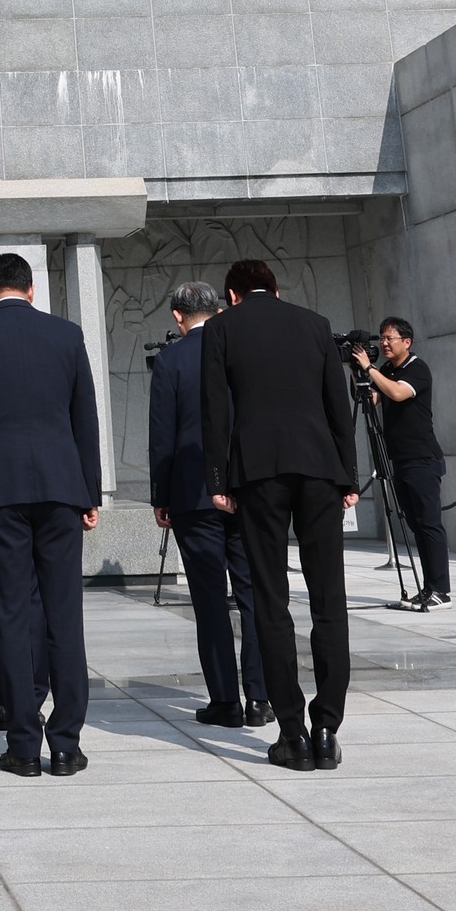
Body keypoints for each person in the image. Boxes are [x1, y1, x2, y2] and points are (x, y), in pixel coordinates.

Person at [0, 251, 99, 778]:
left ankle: (24, 743)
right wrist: (90, 493)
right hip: (59, 487)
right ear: (31, 290)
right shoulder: (66, 335)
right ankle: (68, 741)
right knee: (63, 613)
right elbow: (85, 419)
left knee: (9, 613)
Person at [201, 257, 359, 770]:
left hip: (259, 472)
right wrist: (348, 479)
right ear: (275, 288)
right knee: (328, 599)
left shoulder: (221, 329)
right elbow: (339, 405)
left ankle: (291, 732)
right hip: (319, 470)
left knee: (270, 600)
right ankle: (328, 727)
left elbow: (214, 410)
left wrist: (218, 482)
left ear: (231, 294)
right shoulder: (315, 324)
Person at [148, 281, 270, 727]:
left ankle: (225, 699)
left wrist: (161, 495)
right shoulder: (242, 353)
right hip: (247, 488)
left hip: (193, 495)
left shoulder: (170, 360)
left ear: (178, 317)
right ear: (217, 311)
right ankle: (259, 695)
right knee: (253, 594)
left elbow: (163, 435)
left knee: (210, 600)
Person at [352, 315, 450, 609]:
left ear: (406, 342)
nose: (383, 343)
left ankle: (441, 591)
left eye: (389, 338)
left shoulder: (417, 369)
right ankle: (427, 587)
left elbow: (396, 393)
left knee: (429, 523)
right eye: (381, 338)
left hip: (422, 458)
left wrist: (369, 368)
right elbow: (372, 400)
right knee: (416, 524)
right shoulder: (385, 369)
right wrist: (359, 375)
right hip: (399, 458)